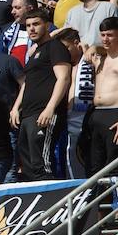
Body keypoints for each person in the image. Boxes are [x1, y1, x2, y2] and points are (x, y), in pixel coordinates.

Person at [11, 10, 71, 181]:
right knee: (28, 165)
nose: (31, 29)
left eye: (36, 24)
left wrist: (50, 108)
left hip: (44, 113)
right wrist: (16, 107)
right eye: (28, 25)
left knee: (42, 164)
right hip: (27, 114)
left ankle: (49, 196)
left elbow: (64, 78)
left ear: (47, 25)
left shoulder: (55, 47)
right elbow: (27, 83)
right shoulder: (34, 52)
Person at [81, 18, 118, 178]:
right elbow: (91, 51)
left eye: (110, 35)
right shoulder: (100, 58)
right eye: (103, 35)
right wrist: (93, 48)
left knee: (116, 166)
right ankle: (96, 195)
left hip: (117, 113)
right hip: (97, 114)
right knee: (95, 167)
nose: (105, 39)